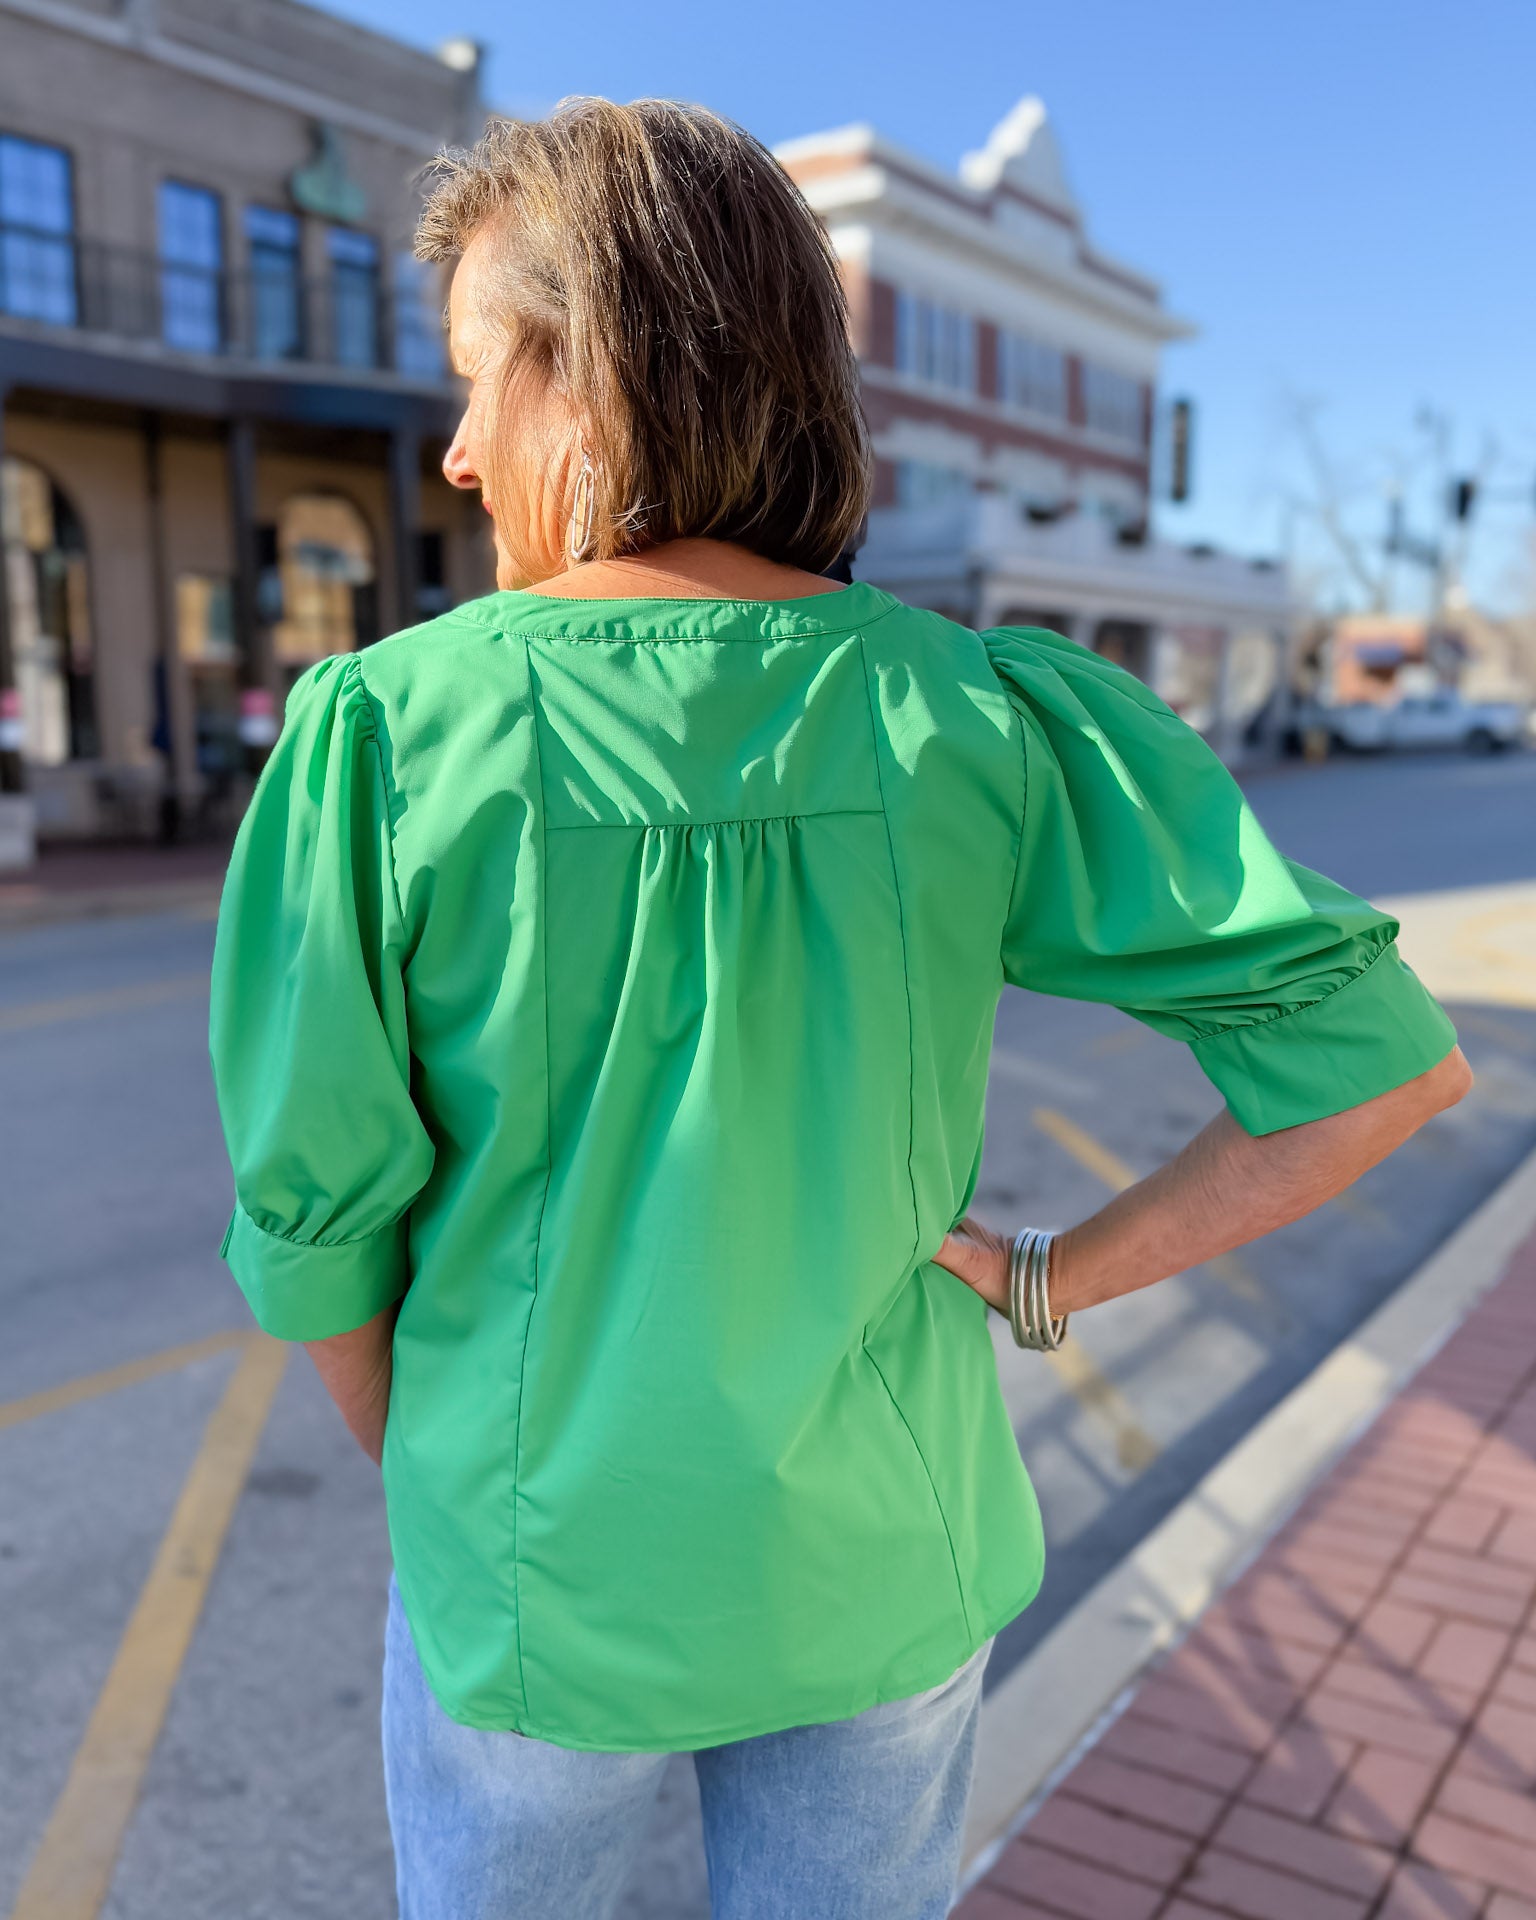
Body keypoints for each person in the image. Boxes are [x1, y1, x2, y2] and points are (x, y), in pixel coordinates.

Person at [208, 98, 1469, 1920]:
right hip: (883, 1555)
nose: (465, 454)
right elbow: (1372, 1069)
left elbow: (317, 1218)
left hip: (535, 1566)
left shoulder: (389, 738)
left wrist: (461, 1479)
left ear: (602, 378)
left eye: (485, 379)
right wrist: (1053, 1277)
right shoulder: (976, 716)